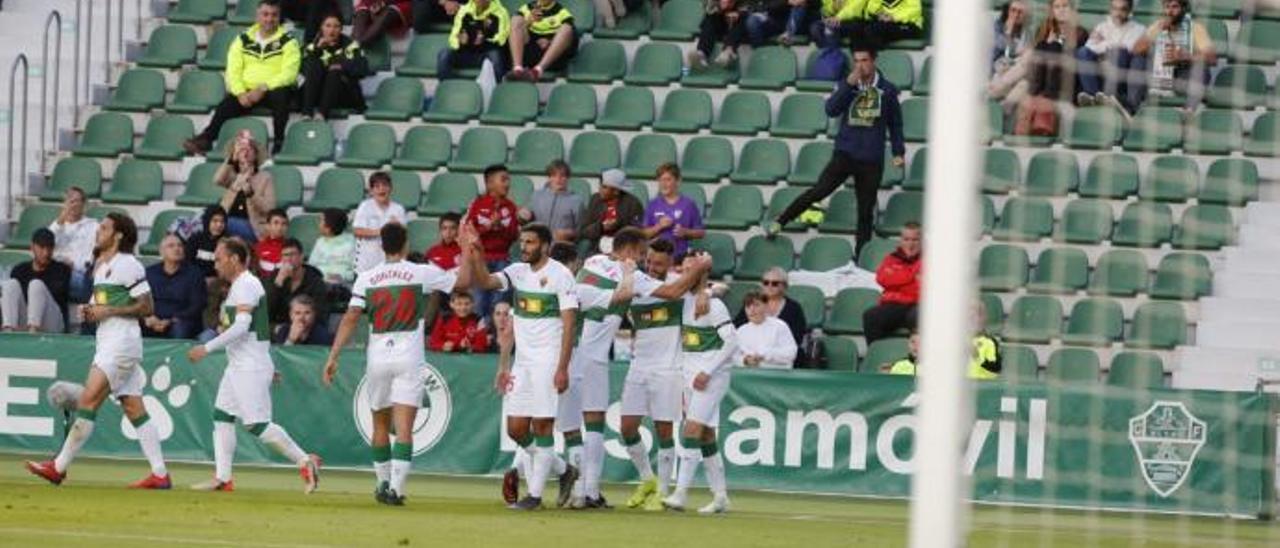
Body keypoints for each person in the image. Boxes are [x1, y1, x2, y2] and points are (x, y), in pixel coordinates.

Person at [325, 222, 475, 505]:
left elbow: (350, 319)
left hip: (378, 357)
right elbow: (464, 282)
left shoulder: (366, 278)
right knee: (404, 428)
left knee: (379, 424)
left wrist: (333, 356)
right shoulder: (420, 272)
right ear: (405, 244)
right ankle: (396, 488)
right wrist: (465, 249)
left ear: (382, 245)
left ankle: (381, 484)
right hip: (409, 357)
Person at [565, 228, 710, 509]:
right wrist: (703, 270)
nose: (646, 262)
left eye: (653, 260)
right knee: (596, 424)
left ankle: (596, 490)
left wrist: (703, 287)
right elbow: (672, 290)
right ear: (630, 251)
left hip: (571, 351)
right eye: (643, 255)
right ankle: (589, 491)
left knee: (570, 426)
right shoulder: (635, 277)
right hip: (597, 359)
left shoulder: (593, 262)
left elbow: (687, 290)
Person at [25, 213, 171, 489]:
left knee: (88, 401)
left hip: (121, 345)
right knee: (134, 408)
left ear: (118, 235)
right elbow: (102, 305)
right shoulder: (102, 266)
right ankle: (160, 474)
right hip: (108, 342)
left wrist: (110, 310)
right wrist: (89, 310)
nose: (98, 231)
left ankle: (58, 467)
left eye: (104, 228)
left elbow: (147, 306)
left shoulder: (129, 265)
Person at [186, 237, 322, 493]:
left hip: (249, 366)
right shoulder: (241, 285)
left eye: (219, 258)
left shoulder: (247, 284)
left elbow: (241, 327)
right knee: (222, 416)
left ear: (234, 259)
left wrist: (206, 347)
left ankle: (305, 461)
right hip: (241, 365)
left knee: (256, 424)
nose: (215, 264)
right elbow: (256, 332)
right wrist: (267, 362)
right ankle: (223, 479)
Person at [465, 223, 579, 510]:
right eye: (522, 242)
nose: (524, 247)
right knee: (516, 429)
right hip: (523, 363)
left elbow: (569, 326)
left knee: (542, 426)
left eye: (530, 242)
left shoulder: (560, 275)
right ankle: (564, 471)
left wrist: (562, 367)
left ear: (545, 246)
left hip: (548, 361)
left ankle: (535, 496)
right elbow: (485, 282)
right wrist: (476, 252)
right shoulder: (517, 271)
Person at [765, 46, 904, 258]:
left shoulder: (888, 90)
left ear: (874, 61)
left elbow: (895, 124)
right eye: (857, 61)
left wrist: (898, 151)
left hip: (871, 158)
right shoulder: (846, 85)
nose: (861, 65)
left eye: (865, 60)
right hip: (845, 153)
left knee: (865, 210)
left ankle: (860, 256)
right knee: (819, 191)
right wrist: (848, 85)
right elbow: (831, 110)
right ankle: (781, 220)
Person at [662, 250, 736, 514]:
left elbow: (731, 341)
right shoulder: (684, 298)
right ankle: (721, 497)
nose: (685, 274)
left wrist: (709, 370)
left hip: (711, 377)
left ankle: (680, 493)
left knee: (691, 430)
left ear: (701, 274)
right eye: (683, 269)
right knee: (705, 435)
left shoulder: (714, 305)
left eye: (691, 270)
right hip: (689, 375)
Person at [183, 0, 301, 156]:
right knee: (226, 105)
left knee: (281, 95)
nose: (269, 19)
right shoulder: (243, 39)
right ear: (257, 16)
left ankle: (279, 143)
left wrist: (263, 88)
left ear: (279, 17)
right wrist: (240, 93)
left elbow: (290, 73)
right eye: (265, 14)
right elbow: (233, 69)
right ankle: (206, 139)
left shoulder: (289, 41)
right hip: (247, 91)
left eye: (274, 15)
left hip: (272, 89)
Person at [1131, 0, 1214, 112]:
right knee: (1138, 60)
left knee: (1202, 69)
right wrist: (1156, 32)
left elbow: (1211, 58)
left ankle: (1188, 111)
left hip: (1182, 77)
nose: (1170, 11)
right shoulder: (1157, 25)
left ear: (1183, 9)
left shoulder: (1196, 28)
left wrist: (1187, 57)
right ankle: (1131, 109)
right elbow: (1136, 49)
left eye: (1174, 7)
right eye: (1167, 7)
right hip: (1157, 75)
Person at [466, 165, 520, 318]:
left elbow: (514, 235)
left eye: (508, 179)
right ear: (490, 183)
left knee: (498, 303)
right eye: (503, 179)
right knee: (479, 301)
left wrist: (500, 226)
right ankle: (480, 338)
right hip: (480, 260)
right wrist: (489, 227)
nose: (507, 183)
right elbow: (469, 232)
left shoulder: (510, 207)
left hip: (502, 260)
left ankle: (496, 339)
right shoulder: (477, 204)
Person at [1075, 0, 1146, 113]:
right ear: (1110, 9)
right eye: (1115, 8)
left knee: (1118, 52)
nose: (1118, 13)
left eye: (1122, 9)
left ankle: (1110, 97)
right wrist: (1109, 44)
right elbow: (1089, 47)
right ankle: (1093, 96)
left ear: (1129, 11)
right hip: (1101, 73)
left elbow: (1129, 48)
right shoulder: (1102, 27)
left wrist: (1104, 44)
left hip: (1121, 75)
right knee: (1082, 52)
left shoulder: (1139, 29)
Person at [301, 13, 371, 120]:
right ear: (321, 28)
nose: (332, 30)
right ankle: (307, 112)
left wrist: (342, 66)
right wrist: (318, 50)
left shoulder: (351, 45)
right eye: (328, 26)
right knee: (314, 64)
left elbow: (363, 69)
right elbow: (302, 71)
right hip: (318, 94)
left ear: (341, 28)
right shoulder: (313, 46)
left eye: (336, 26)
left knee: (334, 71)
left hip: (344, 95)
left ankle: (322, 115)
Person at [1, 228, 71, 333]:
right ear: (32, 247)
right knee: (10, 284)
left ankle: (32, 335)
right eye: (42, 247)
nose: (46, 253)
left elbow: (55, 296)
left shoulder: (62, 269)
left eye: (50, 248)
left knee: (36, 285)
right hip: (26, 321)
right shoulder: (19, 270)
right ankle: (8, 330)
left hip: (52, 322)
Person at [863, 222, 921, 344]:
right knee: (870, 316)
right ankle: (876, 357)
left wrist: (896, 281)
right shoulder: (891, 258)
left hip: (917, 304)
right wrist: (911, 276)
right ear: (900, 240)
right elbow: (882, 279)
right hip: (894, 304)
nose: (910, 244)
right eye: (906, 239)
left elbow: (921, 289)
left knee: (921, 317)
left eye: (915, 240)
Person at [215, 131, 276, 243]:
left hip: (252, 226)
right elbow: (217, 180)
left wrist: (250, 193)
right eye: (242, 149)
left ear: (256, 155)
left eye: (250, 149)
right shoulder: (233, 175)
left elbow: (269, 208)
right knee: (206, 217)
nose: (246, 152)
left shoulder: (265, 177)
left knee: (218, 222)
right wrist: (231, 158)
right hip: (227, 219)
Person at [143, 235, 207, 339]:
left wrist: (171, 320)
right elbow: (141, 301)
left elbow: (197, 306)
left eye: (180, 246)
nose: (177, 249)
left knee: (180, 328)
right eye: (171, 246)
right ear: (161, 252)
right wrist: (147, 317)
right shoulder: (149, 273)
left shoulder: (195, 274)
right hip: (153, 320)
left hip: (181, 321)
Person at [1026, 0, 1087, 106]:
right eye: (1057, 7)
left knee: (1054, 47)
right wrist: (1047, 43)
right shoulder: (1043, 30)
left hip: (1066, 83)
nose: (1061, 10)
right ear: (1052, 11)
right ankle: (1035, 94)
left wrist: (1055, 44)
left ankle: (1047, 96)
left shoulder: (1080, 32)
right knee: (1042, 46)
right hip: (1042, 80)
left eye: (1065, 6)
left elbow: (1075, 62)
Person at [732, 267, 806, 353]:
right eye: (766, 282)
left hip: (780, 354)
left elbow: (796, 337)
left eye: (774, 283)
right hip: (751, 353)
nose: (769, 286)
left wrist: (769, 352)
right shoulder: (751, 304)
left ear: (784, 286)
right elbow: (738, 328)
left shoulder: (794, 308)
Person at [642, 163, 704, 260]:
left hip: (680, 257)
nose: (663, 184)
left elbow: (700, 232)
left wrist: (685, 232)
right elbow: (643, 234)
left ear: (678, 181)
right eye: (660, 180)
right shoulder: (652, 204)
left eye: (668, 180)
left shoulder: (689, 204)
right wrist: (659, 226)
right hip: (656, 258)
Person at [47, 187, 97, 303]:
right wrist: (60, 220)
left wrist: (74, 265)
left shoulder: (93, 227)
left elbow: (95, 257)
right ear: (64, 204)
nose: (72, 205)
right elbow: (45, 244)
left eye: (76, 201)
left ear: (84, 204)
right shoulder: (57, 227)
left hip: (80, 277)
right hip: (57, 274)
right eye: (69, 201)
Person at [438, 0, 511, 79]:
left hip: (486, 55)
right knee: (444, 54)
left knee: (496, 55)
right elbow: (453, 37)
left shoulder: (501, 12)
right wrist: (460, 42)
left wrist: (483, 41)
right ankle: (448, 86)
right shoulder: (464, 11)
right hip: (466, 54)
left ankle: (497, 88)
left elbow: (501, 39)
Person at [508, 0, 577, 82]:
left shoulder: (562, 13)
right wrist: (529, 21)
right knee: (516, 19)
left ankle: (537, 71)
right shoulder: (527, 8)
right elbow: (518, 31)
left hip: (550, 57)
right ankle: (517, 69)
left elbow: (571, 40)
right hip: (529, 51)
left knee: (567, 29)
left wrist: (550, 42)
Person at [353, 172, 409, 273]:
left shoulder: (398, 209)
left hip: (390, 264)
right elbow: (357, 231)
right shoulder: (365, 206)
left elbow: (404, 237)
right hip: (367, 264)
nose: (381, 189)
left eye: (385, 185)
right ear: (371, 191)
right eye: (377, 186)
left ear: (390, 188)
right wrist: (384, 231)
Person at [579, 169, 645, 254]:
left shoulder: (633, 203)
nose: (600, 190)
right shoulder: (595, 200)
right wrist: (601, 227)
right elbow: (584, 231)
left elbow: (638, 233)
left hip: (623, 251)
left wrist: (619, 225)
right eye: (601, 186)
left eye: (604, 187)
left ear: (616, 191)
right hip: (597, 250)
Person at [265, 238, 329, 325]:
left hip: (307, 328)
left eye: (292, 254)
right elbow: (267, 313)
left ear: (301, 256)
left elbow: (320, 315)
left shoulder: (314, 280)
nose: (288, 259)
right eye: (285, 255)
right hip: (280, 327)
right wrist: (278, 283)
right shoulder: (275, 277)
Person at [734, 290, 798, 369]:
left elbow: (791, 353)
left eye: (756, 305)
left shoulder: (780, 326)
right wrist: (745, 360)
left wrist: (764, 355)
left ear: (766, 306)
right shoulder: (741, 330)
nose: (752, 310)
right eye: (748, 306)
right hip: (750, 376)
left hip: (776, 375)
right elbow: (733, 356)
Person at [521, 162, 582, 244]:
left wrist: (570, 234)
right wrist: (522, 217)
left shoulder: (577, 201)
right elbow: (525, 221)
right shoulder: (536, 196)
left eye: (562, 176)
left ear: (568, 178)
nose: (558, 179)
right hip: (537, 245)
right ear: (549, 178)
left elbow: (581, 231)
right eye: (554, 175)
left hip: (561, 247)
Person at [987, 0, 1033, 109]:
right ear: (1007, 11)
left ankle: (1002, 101)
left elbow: (1025, 56)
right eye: (1013, 10)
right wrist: (1008, 32)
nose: (1016, 15)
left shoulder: (1027, 32)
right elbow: (1000, 46)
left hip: (1014, 74)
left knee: (1025, 83)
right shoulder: (997, 26)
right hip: (997, 72)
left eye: (1020, 12)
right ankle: (995, 93)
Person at [842, 0, 924, 52]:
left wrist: (894, 17)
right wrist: (879, 13)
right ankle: (859, 62)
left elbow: (914, 10)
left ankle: (874, 65)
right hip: (884, 23)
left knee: (874, 30)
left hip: (909, 25)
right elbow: (871, 8)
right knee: (856, 28)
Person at [688, 0, 748, 69]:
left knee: (742, 20)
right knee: (710, 19)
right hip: (721, 22)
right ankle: (701, 54)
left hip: (740, 26)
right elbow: (708, 9)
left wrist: (739, 13)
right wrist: (720, 6)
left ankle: (728, 51)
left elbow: (753, 9)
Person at [309, 208, 357, 287]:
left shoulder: (351, 242)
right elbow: (312, 265)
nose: (319, 224)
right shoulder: (320, 242)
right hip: (320, 281)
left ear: (329, 227)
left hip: (341, 284)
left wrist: (342, 276)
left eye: (321, 221)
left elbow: (354, 270)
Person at [187, 205, 228, 280]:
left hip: (216, 282)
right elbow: (187, 264)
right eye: (215, 221)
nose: (219, 225)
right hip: (194, 280)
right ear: (207, 221)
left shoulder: (228, 243)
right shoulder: (195, 239)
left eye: (222, 222)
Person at [254, 209, 291, 276]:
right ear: (268, 226)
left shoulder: (291, 247)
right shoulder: (258, 247)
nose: (280, 227)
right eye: (276, 223)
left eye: (284, 224)